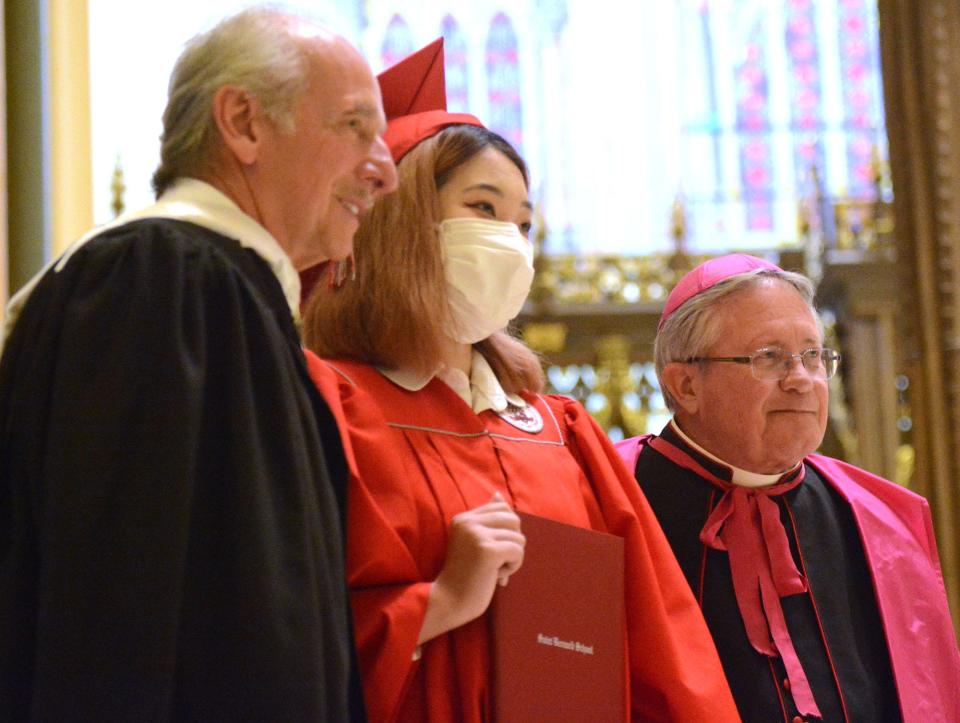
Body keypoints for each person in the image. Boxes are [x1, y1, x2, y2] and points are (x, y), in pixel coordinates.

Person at [301, 39, 740, 722]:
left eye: (523, 222)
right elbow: (266, 639)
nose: (510, 239)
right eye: (483, 208)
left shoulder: (562, 432)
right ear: (400, 221)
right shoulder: (326, 405)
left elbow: (664, 649)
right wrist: (440, 601)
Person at [0, 7, 396, 721]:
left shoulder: (231, 294)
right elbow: (114, 623)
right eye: (354, 127)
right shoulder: (159, 282)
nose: (385, 171)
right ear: (243, 122)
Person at [615, 254, 960, 722]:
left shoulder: (875, 516)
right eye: (769, 358)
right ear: (686, 385)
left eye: (813, 355)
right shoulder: (611, 500)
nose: (801, 380)